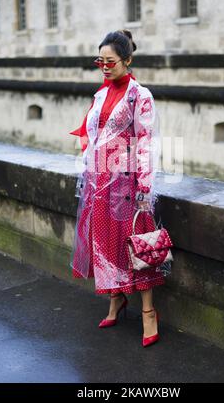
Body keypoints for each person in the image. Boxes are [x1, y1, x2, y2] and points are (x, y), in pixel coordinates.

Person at [69, 29, 171, 347]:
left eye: (110, 61)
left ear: (127, 60)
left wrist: (144, 186)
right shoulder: (100, 96)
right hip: (100, 185)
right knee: (106, 248)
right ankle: (115, 300)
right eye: (100, 60)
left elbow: (146, 144)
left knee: (137, 249)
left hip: (128, 187)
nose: (104, 66)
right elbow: (94, 139)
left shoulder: (141, 96)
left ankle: (148, 312)